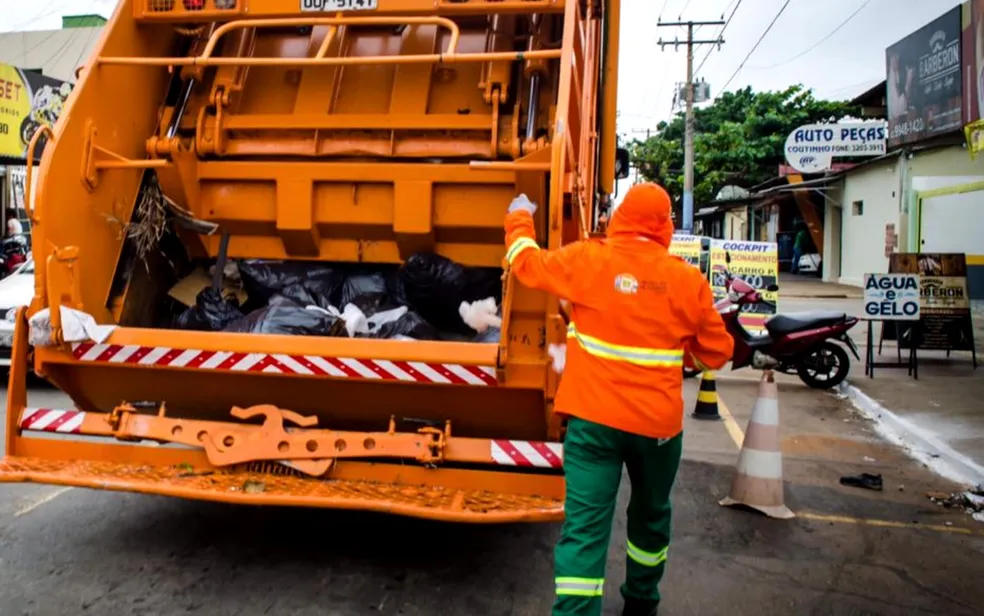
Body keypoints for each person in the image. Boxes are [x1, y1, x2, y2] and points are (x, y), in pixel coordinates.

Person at [504, 183, 734, 616]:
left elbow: (525, 263)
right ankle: (642, 602)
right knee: (650, 517)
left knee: (585, 529)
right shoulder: (688, 280)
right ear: (665, 227)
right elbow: (716, 353)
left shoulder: (589, 260)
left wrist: (519, 215)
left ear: (620, 218)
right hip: (658, 432)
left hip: (593, 426)